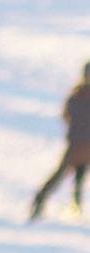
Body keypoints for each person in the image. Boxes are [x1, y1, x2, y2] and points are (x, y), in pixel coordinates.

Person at [35, 59, 90, 220]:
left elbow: (66, 116)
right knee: (69, 173)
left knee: (74, 173)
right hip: (82, 144)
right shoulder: (78, 96)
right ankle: (42, 200)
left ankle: (73, 206)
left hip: (77, 144)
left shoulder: (75, 96)